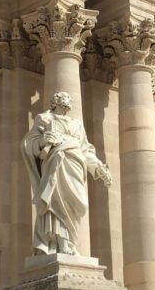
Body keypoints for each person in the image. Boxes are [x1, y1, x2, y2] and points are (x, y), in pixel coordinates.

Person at [21, 91, 111, 255]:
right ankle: (62, 244)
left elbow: (85, 149)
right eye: (63, 98)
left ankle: (69, 242)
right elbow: (28, 143)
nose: (67, 100)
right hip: (56, 164)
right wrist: (43, 140)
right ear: (55, 102)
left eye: (68, 98)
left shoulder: (77, 125)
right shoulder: (45, 119)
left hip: (75, 164)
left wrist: (98, 167)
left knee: (78, 203)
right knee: (56, 203)